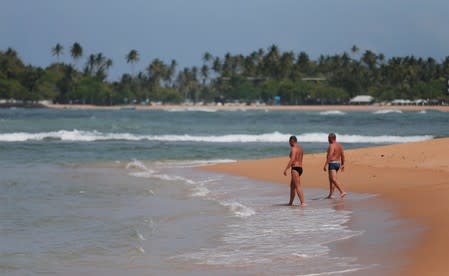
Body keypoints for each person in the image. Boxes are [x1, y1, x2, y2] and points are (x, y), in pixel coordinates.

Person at [283, 136, 306, 206]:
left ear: (292, 141)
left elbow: (292, 159)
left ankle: (302, 202)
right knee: (292, 186)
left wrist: (286, 169)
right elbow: (297, 157)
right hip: (300, 168)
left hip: (295, 168)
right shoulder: (301, 149)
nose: (289, 143)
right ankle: (290, 202)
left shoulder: (293, 149)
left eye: (289, 142)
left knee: (297, 186)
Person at [323, 133, 346, 199]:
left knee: (333, 179)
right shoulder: (339, 145)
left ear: (331, 139)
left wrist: (325, 164)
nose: (328, 140)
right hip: (338, 163)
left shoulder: (331, 145)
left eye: (328, 139)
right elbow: (342, 155)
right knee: (331, 180)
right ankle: (331, 194)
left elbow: (330, 155)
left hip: (332, 163)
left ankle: (342, 191)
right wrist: (342, 164)